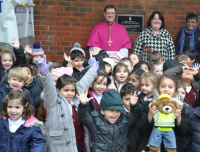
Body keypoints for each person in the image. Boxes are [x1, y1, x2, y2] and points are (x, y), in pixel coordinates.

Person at [36, 55, 99, 152]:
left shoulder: (76, 98)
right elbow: (48, 89)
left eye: (72, 90)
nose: (70, 93)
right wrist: (45, 74)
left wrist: (93, 70)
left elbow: (85, 82)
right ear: (58, 90)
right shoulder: (53, 102)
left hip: (78, 143)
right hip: (61, 147)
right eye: (66, 90)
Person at [136, 74, 188, 152]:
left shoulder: (179, 106)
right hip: (152, 145)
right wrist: (150, 115)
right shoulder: (150, 104)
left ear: (175, 90)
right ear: (157, 88)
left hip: (172, 146)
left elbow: (184, 132)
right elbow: (143, 128)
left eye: (170, 87)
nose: (166, 90)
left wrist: (179, 118)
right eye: (163, 86)